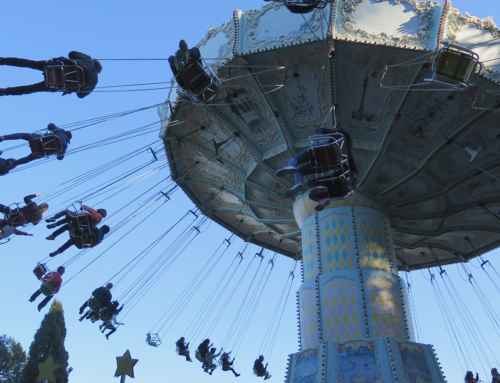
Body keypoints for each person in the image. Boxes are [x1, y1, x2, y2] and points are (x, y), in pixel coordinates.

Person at [276, 127, 357, 198]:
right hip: (328, 165)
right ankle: (316, 187)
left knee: (296, 159)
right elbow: (353, 169)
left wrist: (318, 131)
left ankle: (295, 175)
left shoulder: (339, 135)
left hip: (322, 151)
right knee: (303, 173)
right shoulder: (348, 150)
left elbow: (321, 130)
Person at [0, 52, 101, 98]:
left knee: (30, 64)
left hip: (55, 67)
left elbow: (71, 54)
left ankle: (2, 61)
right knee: (32, 88)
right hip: (56, 84)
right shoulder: (93, 84)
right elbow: (80, 95)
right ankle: (5, 91)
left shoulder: (89, 60)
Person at [0, 123, 72, 166]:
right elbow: (60, 158)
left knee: (22, 135)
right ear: (68, 140)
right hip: (39, 152)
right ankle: (13, 163)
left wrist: (55, 129)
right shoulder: (65, 146)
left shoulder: (60, 131)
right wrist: (62, 152)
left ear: (66, 132)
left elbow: (50, 125)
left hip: (36, 139)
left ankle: (3, 138)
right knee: (29, 158)